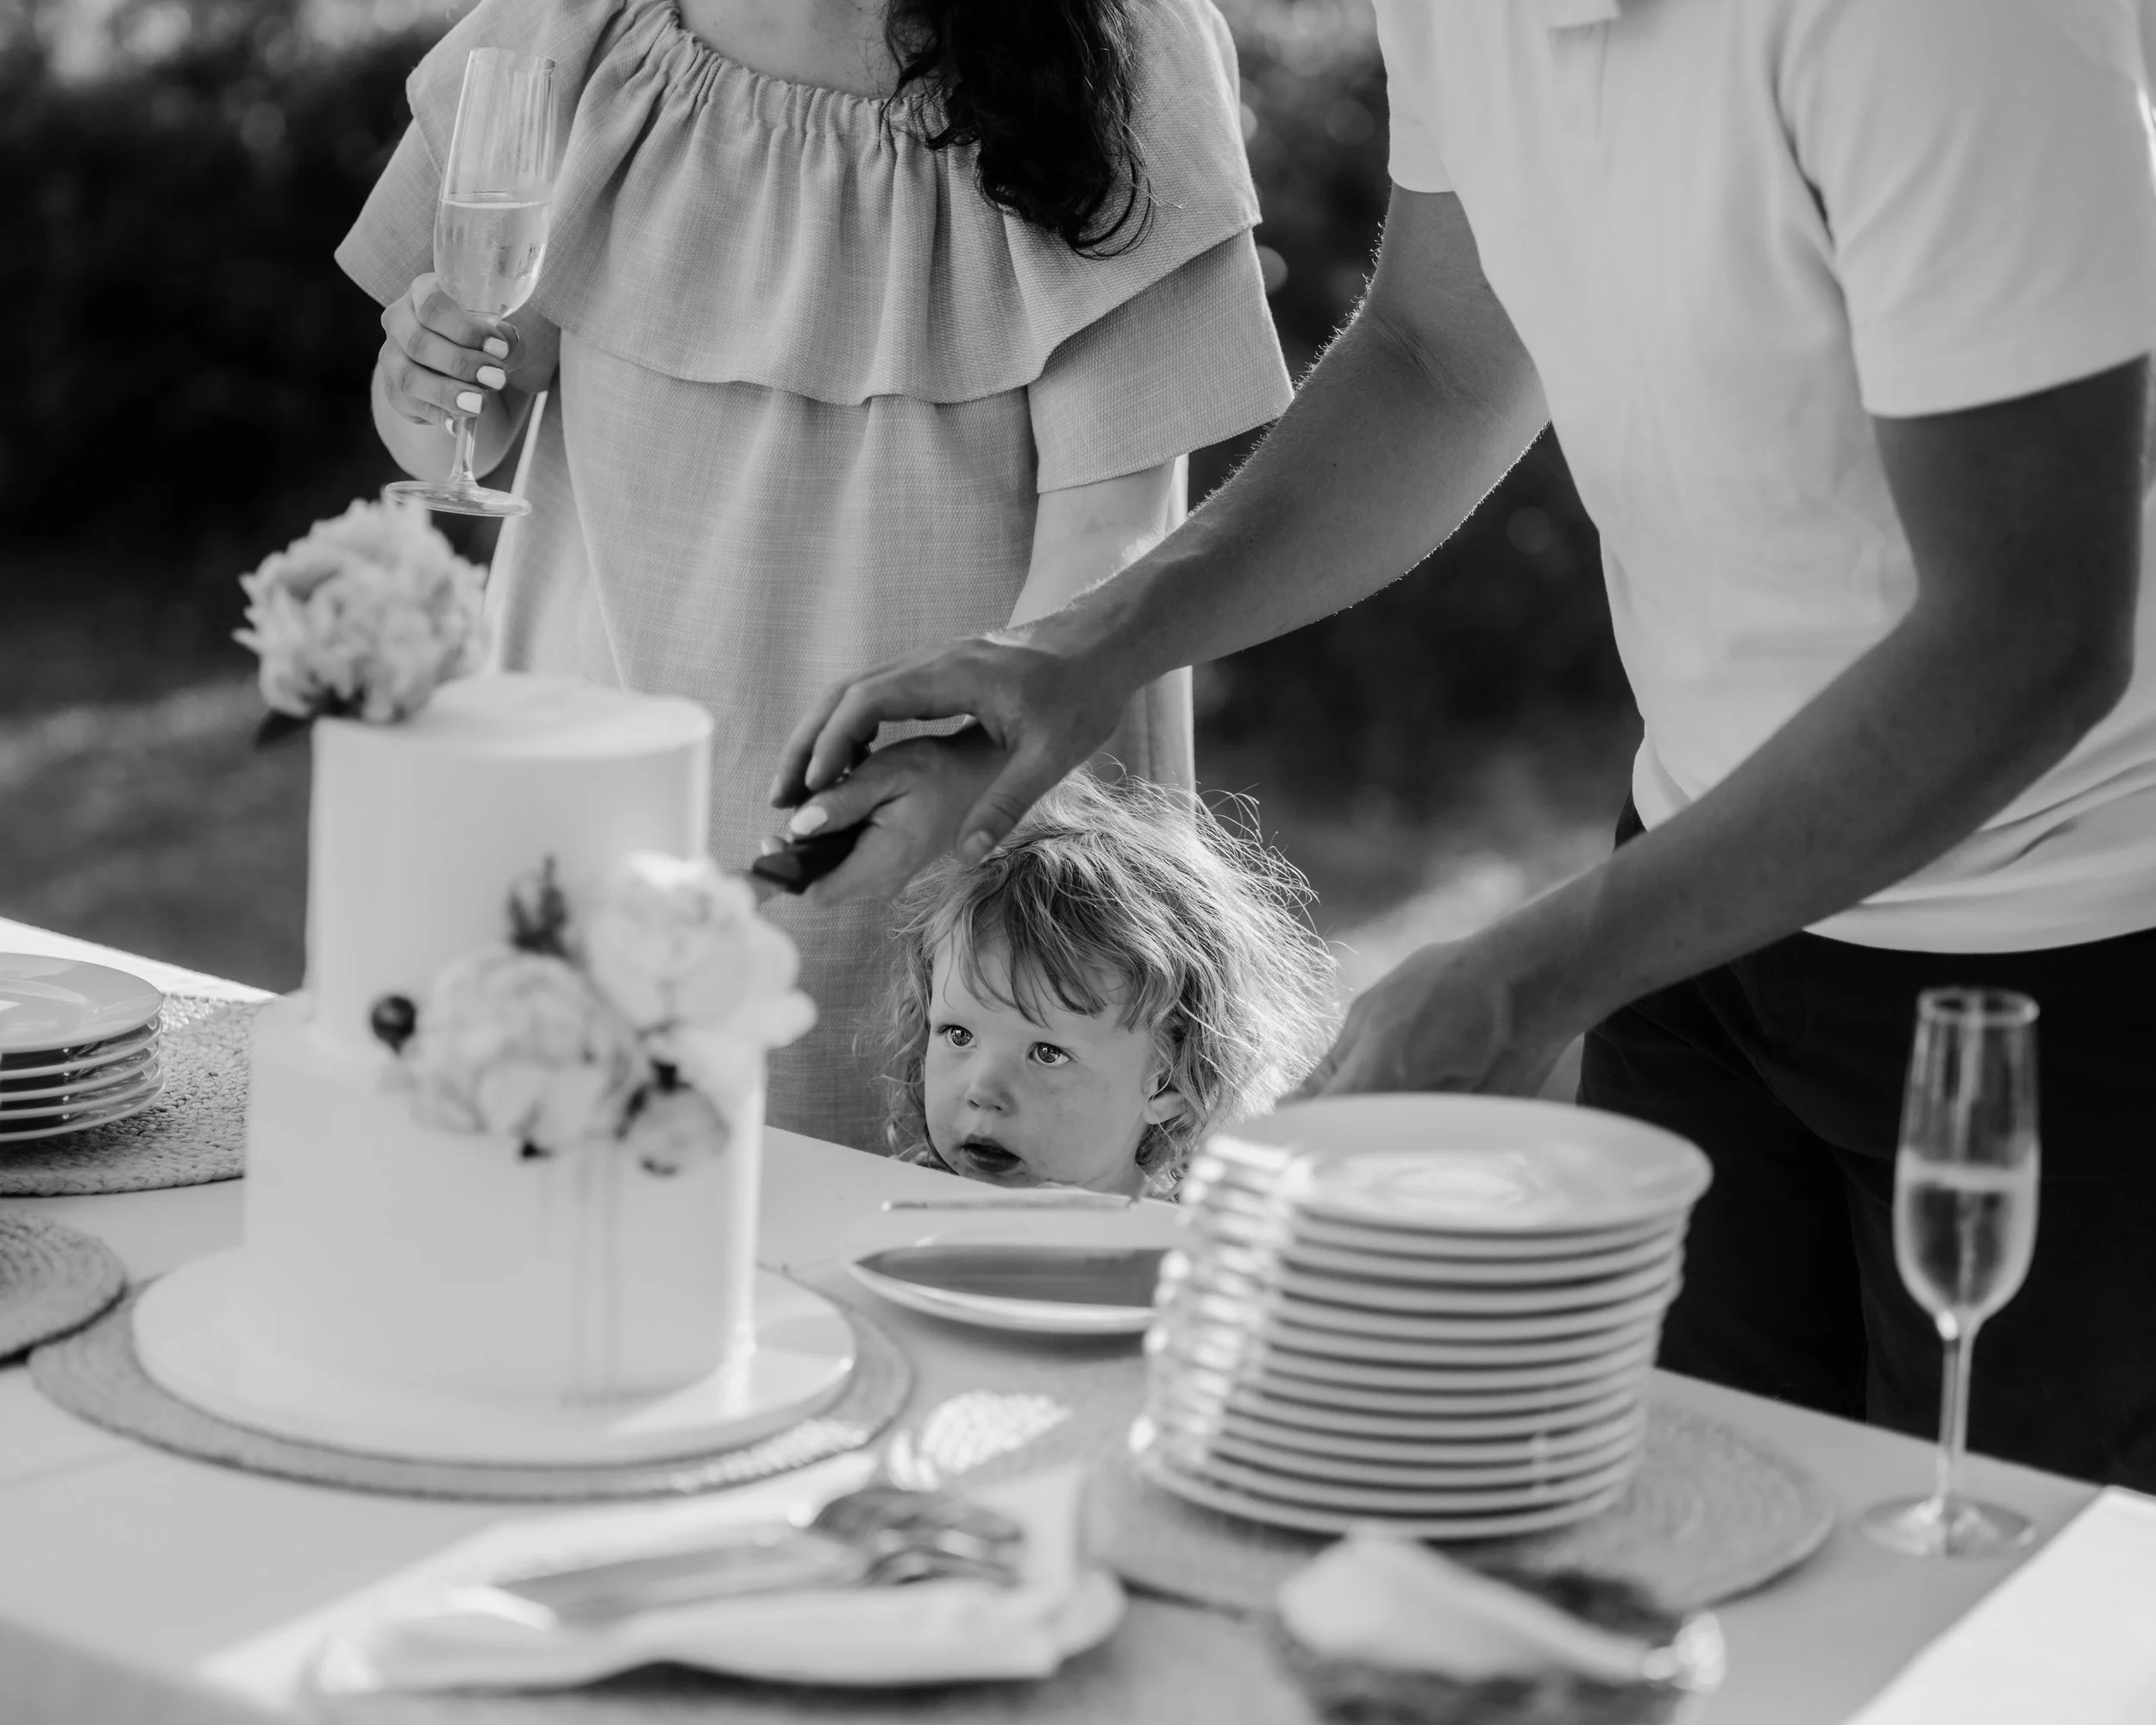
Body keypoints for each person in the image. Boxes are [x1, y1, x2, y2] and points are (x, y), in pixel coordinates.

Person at [768, 0, 2156, 1489]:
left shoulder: (1951, 27)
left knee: (2017, 1583)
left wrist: (1527, 979)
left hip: (2064, 955)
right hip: (1700, 901)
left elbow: (2029, 639)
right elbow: (1445, 356)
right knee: (1697, 1530)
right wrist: (1084, 653)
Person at [335, 0, 1291, 1149]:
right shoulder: (582, 23)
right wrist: (423, 378)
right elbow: (463, 416)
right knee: (578, 1200)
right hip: (598, 788)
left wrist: (981, 783)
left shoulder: (1113, 39)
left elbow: (1110, 534)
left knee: (912, 1211)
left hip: (953, 839)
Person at [877, 773, 1338, 1198]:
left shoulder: (1177, 1245)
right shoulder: (888, 1203)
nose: (983, 1092)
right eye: (959, 1035)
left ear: (1168, 1085)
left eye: (1047, 1053)